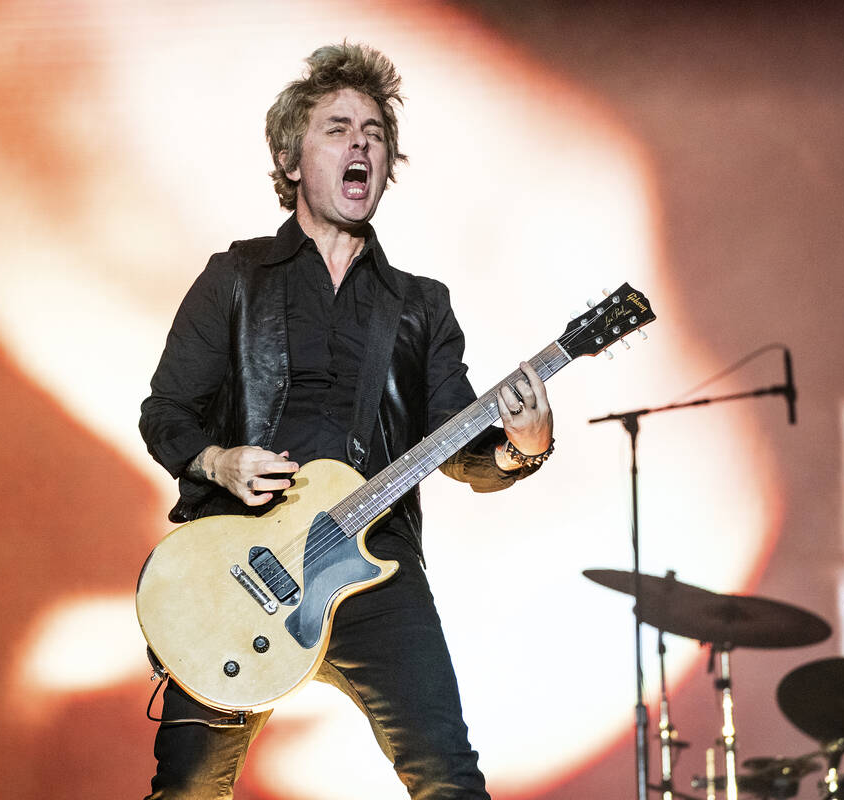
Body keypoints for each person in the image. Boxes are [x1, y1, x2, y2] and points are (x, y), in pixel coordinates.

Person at [139, 41, 555, 800]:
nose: (361, 140)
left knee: (450, 782)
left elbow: (458, 447)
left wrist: (522, 449)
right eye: (337, 126)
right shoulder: (234, 278)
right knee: (189, 791)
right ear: (291, 159)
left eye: (374, 130)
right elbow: (164, 413)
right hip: (243, 565)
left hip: (372, 562)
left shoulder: (420, 305)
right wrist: (218, 462)